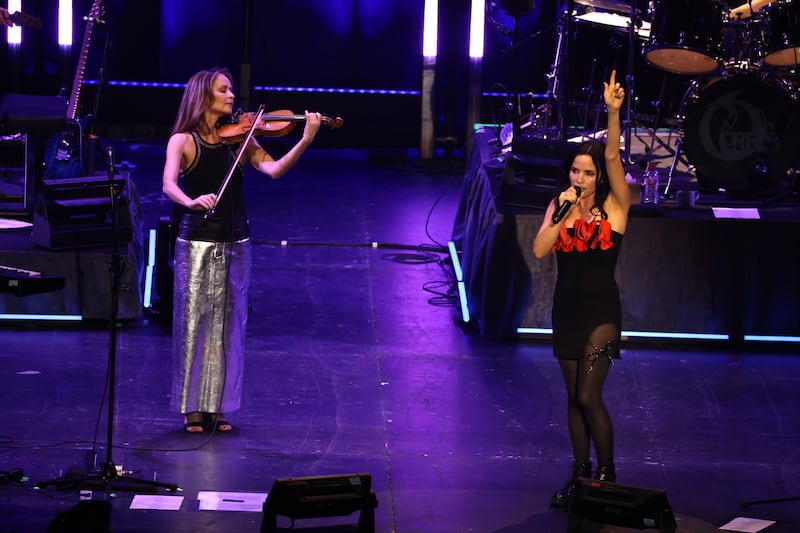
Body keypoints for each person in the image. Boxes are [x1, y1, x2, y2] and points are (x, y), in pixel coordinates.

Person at [162, 67, 321, 433]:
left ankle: (219, 407)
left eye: (232, 90)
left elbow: (276, 169)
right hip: (197, 241)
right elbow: (169, 184)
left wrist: (306, 139)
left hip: (236, 240)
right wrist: (192, 200)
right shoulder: (182, 140)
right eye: (224, 90)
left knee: (229, 327)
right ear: (204, 96)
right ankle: (192, 407)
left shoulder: (241, 140)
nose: (232, 96)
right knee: (194, 325)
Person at [533, 70, 630, 507]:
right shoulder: (560, 204)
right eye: (575, 170)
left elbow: (612, 156)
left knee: (590, 395)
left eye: (587, 173)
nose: (580, 177)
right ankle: (580, 475)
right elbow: (539, 250)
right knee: (573, 398)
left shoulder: (616, 207)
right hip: (566, 310)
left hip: (602, 314)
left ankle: (607, 477)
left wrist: (613, 113)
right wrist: (561, 215)